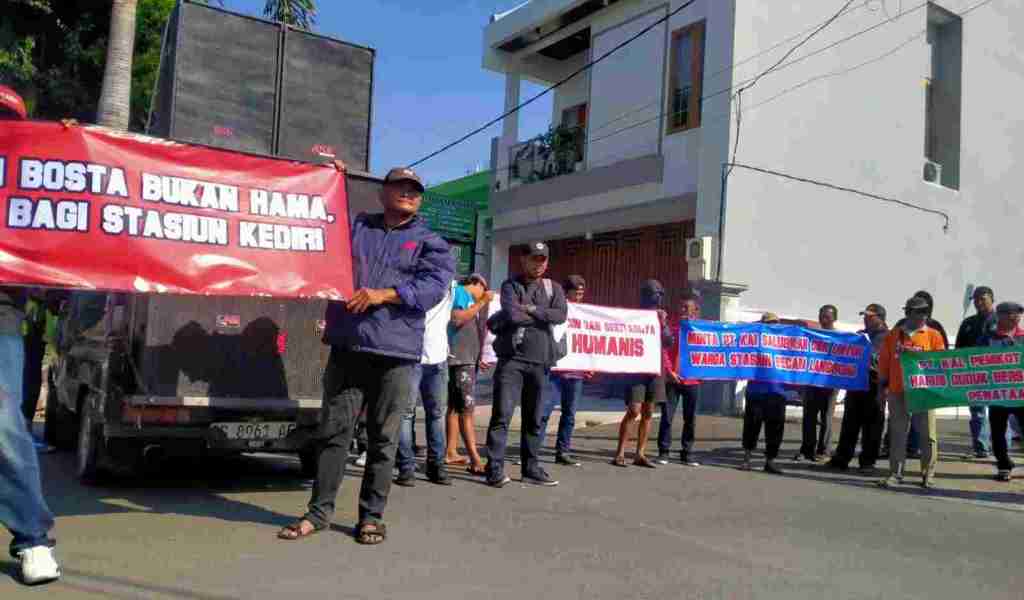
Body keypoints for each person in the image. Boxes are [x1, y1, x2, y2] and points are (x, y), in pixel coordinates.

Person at [278, 165, 455, 545]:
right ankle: (318, 512)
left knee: (383, 439)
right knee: (333, 433)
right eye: (400, 186)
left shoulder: (430, 241)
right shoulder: (357, 228)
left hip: (397, 354)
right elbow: (322, 226)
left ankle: (371, 516)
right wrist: (329, 178)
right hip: (349, 347)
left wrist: (384, 293)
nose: (408, 193)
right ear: (382, 192)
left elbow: (433, 288)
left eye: (415, 189)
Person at [0, 86, 60, 585]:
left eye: (7, 120)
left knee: (2, 421)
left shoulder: (33, 180)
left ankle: (32, 539)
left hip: (1, 313)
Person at [484, 241, 567, 487]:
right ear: (524, 260)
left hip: (541, 362)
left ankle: (531, 468)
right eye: (534, 259)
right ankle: (495, 469)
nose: (538, 264)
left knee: (535, 418)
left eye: (542, 260)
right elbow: (512, 315)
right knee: (502, 416)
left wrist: (529, 308)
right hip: (512, 361)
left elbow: (560, 315)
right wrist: (541, 314)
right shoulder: (511, 285)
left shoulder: (554, 288)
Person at [877, 296, 946, 489]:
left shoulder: (934, 335)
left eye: (926, 311)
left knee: (928, 435)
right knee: (898, 433)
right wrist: (882, 388)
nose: (924, 315)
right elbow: (884, 362)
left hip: (924, 392)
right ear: (908, 313)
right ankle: (896, 473)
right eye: (919, 311)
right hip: (898, 391)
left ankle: (928, 474)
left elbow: (940, 362)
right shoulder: (894, 335)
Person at [394, 281, 456, 488]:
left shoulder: (451, 286)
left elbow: (476, 291)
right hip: (412, 356)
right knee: (407, 414)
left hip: (438, 357)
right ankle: (407, 468)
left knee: (434, 414)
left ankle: (435, 466)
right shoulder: (413, 285)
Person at [611, 280, 672, 469]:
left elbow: (668, 341)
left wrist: (662, 324)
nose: (658, 297)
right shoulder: (634, 316)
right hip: (637, 369)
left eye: (660, 294)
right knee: (634, 410)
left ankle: (640, 453)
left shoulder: (661, 316)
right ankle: (620, 453)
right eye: (654, 293)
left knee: (648, 412)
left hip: (655, 369)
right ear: (645, 295)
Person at [827, 304, 889, 473]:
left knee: (873, 426)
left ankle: (868, 461)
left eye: (869, 316)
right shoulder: (861, 335)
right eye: (865, 316)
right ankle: (842, 458)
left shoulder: (888, 337)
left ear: (880, 317)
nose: (865, 319)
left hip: (875, 385)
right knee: (850, 424)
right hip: (855, 385)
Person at [445, 274, 493, 475]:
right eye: (484, 288)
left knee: (455, 407)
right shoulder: (462, 293)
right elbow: (457, 319)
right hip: (460, 360)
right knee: (467, 409)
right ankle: (475, 459)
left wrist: (478, 356)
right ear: (475, 284)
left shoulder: (468, 298)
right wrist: (482, 302)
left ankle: (451, 451)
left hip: (465, 359)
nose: (485, 293)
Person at [540, 275, 590, 467]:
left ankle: (563, 451)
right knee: (544, 412)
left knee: (569, 414)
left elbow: (590, 339)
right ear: (566, 293)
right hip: (555, 371)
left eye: (581, 293)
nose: (578, 297)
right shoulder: (557, 310)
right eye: (575, 293)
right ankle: (533, 449)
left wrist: (590, 363)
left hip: (576, 372)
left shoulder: (586, 313)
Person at [740, 313, 792, 475]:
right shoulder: (753, 342)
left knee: (775, 429)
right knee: (751, 427)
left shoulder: (785, 346)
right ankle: (747, 459)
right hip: (756, 392)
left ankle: (770, 461)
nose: (773, 326)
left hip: (778, 393)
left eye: (776, 323)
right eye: (769, 323)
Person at [978, 302, 1024, 482]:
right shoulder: (987, 338)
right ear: (1000, 316)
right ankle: (1004, 465)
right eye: (1012, 313)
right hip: (997, 394)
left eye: (1019, 314)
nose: (1017, 317)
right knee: (998, 433)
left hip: (1020, 394)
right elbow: (974, 361)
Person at [955, 286, 1002, 459]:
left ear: (992, 299)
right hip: (974, 375)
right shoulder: (968, 323)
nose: (979, 302)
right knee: (978, 412)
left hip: (999, 376)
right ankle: (981, 448)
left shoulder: (1003, 321)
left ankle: (1002, 449)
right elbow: (958, 350)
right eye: (975, 299)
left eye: (983, 298)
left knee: (1000, 412)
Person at [658, 292, 702, 466]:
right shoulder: (672, 327)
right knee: (667, 417)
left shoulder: (703, 331)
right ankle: (664, 451)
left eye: (686, 307)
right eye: (681, 306)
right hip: (673, 380)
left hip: (693, 381)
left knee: (690, 418)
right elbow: (664, 351)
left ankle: (687, 452)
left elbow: (710, 354)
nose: (682, 310)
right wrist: (669, 371)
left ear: (695, 310)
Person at [794, 305, 841, 462]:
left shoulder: (839, 338)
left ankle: (823, 451)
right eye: (821, 315)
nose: (823, 319)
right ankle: (806, 449)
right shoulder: (812, 336)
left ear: (834, 318)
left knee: (826, 418)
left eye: (827, 316)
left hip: (830, 384)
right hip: (811, 382)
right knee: (809, 417)